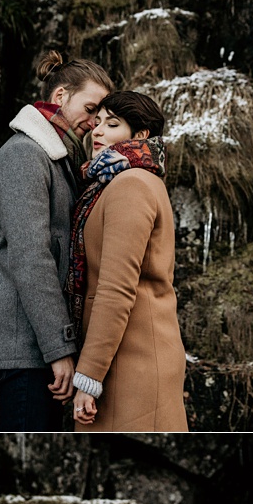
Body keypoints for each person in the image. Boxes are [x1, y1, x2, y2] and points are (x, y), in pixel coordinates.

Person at [0, 49, 112, 431]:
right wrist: (60, 349)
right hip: (27, 351)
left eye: (103, 115)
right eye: (90, 108)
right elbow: (31, 258)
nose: (94, 121)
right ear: (60, 97)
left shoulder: (56, 158)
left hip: (37, 349)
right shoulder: (24, 155)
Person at [67, 88, 188, 433]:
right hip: (123, 354)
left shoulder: (130, 184)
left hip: (131, 360)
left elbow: (116, 289)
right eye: (98, 122)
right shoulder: (122, 180)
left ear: (140, 135)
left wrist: (88, 376)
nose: (98, 131)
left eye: (112, 124)